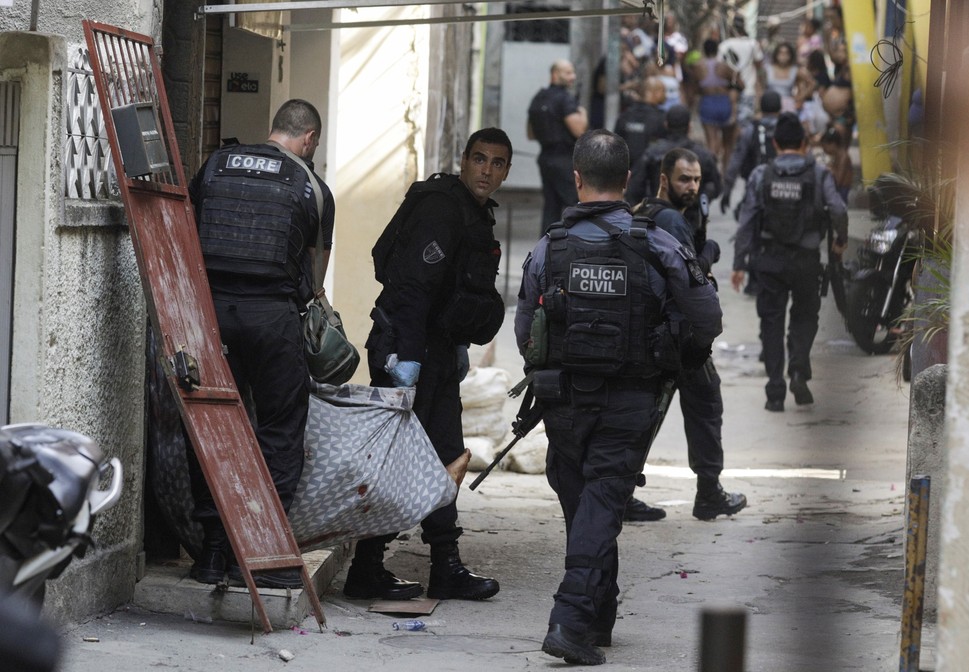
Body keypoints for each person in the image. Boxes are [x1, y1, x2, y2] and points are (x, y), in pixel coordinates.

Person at [516, 130, 723, 664]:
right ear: (629, 182)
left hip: (561, 400)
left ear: (577, 179)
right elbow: (708, 317)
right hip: (630, 399)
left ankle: (595, 617)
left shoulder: (549, 247)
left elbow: (524, 331)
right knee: (602, 504)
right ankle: (569, 621)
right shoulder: (656, 243)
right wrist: (679, 356)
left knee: (586, 505)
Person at [343, 128, 513, 602]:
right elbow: (412, 291)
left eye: (497, 163)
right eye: (479, 159)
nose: (487, 170)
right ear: (463, 160)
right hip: (408, 348)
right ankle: (369, 567)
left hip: (434, 351)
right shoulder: (442, 207)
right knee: (402, 462)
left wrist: (449, 349)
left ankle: (442, 565)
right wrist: (407, 367)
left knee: (444, 457)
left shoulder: (473, 212)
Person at [186, 99, 334, 588]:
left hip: (212, 317)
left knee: (213, 426)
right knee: (279, 430)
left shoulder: (215, 166)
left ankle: (211, 551)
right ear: (309, 138)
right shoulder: (311, 186)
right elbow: (314, 277)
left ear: (275, 129)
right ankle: (262, 552)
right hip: (272, 317)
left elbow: (185, 233)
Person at [633, 147, 747, 521]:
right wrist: (709, 253)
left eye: (697, 179)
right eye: (684, 179)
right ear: (664, 179)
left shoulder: (648, 211)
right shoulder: (672, 221)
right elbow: (689, 276)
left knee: (647, 415)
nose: (692, 186)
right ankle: (709, 493)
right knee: (705, 407)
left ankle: (619, 492)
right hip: (678, 335)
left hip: (657, 333)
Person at [730, 113, 848, 412]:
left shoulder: (761, 174)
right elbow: (837, 208)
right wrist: (840, 241)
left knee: (771, 323)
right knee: (805, 316)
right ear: (805, 143)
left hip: (769, 260)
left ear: (774, 143)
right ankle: (797, 369)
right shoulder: (819, 173)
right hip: (806, 261)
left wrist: (739, 262)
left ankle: (774, 392)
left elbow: (747, 219)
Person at [528, 60, 589, 235]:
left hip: (545, 158)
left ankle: (546, 247)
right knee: (575, 205)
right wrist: (582, 113)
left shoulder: (538, 97)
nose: (573, 77)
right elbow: (578, 130)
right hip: (563, 159)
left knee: (551, 207)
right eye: (568, 73)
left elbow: (530, 133)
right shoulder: (565, 99)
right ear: (555, 74)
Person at [625, 104, 721, 209]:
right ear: (689, 126)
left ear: (666, 125)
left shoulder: (651, 153)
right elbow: (716, 186)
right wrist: (697, 202)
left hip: (659, 215)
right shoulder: (703, 155)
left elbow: (634, 188)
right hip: (690, 218)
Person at [721, 90, 782, 216]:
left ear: (761, 107)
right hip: (783, 186)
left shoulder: (750, 130)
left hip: (754, 186)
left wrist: (727, 192)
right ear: (780, 108)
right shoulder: (787, 127)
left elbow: (736, 161)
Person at [693, 38, 737, 171]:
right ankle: (725, 174)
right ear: (717, 50)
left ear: (704, 50)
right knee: (728, 143)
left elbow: (695, 88)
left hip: (707, 103)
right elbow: (740, 83)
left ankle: (710, 174)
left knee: (712, 142)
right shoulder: (725, 66)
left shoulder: (697, 66)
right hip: (724, 103)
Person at [718, 15, 765, 128]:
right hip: (748, 91)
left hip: (728, 92)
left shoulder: (724, 45)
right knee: (745, 128)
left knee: (729, 129)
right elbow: (759, 67)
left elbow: (719, 69)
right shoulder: (753, 44)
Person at [613, 76, 668, 169]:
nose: (666, 95)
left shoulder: (625, 115)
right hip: (649, 173)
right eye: (663, 91)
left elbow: (615, 145)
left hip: (626, 172)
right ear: (654, 93)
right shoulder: (661, 119)